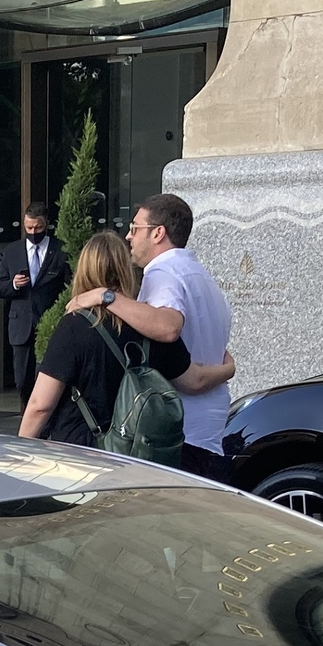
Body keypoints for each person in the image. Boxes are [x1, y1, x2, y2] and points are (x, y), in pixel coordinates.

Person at [74, 193, 236, 479]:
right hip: (209, 429)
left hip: (176, 432)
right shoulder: (202, 277)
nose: (128, 236)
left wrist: (106, 296)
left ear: (158, 233)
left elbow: (167, 328)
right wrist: (227, 369)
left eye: (135, 228)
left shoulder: (163, 271)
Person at [21, 229, 227, 449]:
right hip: (135, 454)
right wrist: (229, 369)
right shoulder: (148, 325)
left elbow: (40, 405)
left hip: (80, 453)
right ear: (126, 270)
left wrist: (18, 453)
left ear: (83, 270)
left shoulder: (73, 326)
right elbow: (195, 381)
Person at [0, 203, 69, 402]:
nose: (33, 232)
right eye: (29, 228)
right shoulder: (13, 251)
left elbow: (69, 286)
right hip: (21, 323)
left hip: (50, 321)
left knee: (47, 377)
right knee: (22, 380)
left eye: (38, 228)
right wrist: (14, 284)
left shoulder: (60, 250)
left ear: (47, 225)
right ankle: (28, 420)